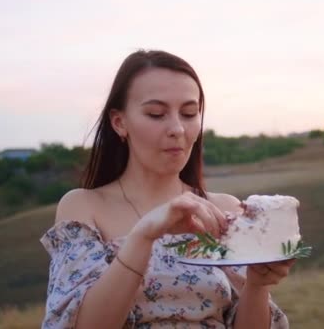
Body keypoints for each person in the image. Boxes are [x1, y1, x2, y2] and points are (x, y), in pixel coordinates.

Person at [39, 49, 295, 328]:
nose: (178, 129)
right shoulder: (84, 207)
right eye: (156, 114)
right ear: (119, 122)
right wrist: (145, 235)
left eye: (188, 113)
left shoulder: (224, 211)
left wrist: (257, 286)